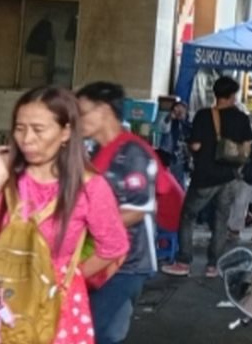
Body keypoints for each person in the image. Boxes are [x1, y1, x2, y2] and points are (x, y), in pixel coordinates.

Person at [0, 87, 130, 344]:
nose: (26, 139)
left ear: (66, 132)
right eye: (20, 128)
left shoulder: (90, 186)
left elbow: (114, 246)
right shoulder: (0, 172)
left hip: (56, 305)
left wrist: (67, 277)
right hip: (0, 301)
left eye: (38, 130)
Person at [77, 82, 167, 344]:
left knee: (99, 332)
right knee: (100, 331)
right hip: (98, 258)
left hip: (128, 262)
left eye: (82, 112)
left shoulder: (132, 153)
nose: (78, 119)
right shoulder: (96, 151)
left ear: (104, 110)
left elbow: (136, 211)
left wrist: (81, 227)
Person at [163, 76, 252, 278]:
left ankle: (183, 261)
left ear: (216, 93)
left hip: (205, 176)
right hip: (230, 176)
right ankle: (214, 265)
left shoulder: (204, 115)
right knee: (221, 220)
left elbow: (195, 145)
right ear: (232, 95)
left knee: (188, 215)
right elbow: (247, 147)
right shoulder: (241, 117)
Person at [160, 101, 190, 188]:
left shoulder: (187, 124)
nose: (179, 112)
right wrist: (170, 117)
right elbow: (163, 127)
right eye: (177, 109)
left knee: (180, 184)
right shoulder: (168, 121)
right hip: (168, 157)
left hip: (181, 159)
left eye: (182, 110)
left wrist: (182, 119)